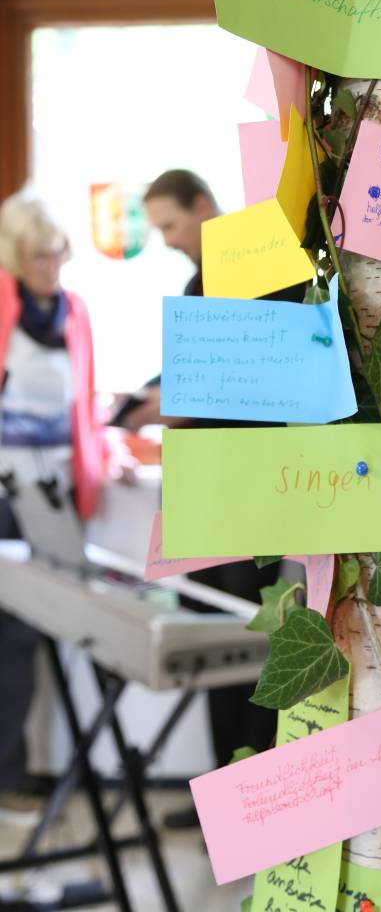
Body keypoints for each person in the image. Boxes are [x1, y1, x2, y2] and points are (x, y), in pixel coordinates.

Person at [122, 169, 296, 828]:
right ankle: (227, 796)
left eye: (169, 224)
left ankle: (257, 806)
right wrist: (151, 398)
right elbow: (195, 372)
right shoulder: (204, 279)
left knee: (245, 646)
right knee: (211, 645)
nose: (166, 240)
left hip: (243, 494)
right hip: (209, 493)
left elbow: (240, 383)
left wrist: (170, 406)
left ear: (203, 205)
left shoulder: (257, 264)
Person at [0, 194, 106, 825]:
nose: (50, 265)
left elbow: (82, 404)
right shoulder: (4, 307)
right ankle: (9, 778)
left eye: (56, 253)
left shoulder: (75, 311)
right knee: (11, 639)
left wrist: (103, 451)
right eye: (37, 255)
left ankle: (27, 773)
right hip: (3, 493)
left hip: (53, 494)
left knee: (39, 633)